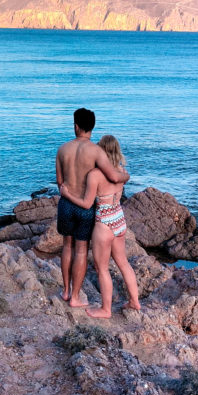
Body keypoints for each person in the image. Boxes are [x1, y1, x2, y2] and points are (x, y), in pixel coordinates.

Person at [60, 134, 140, 319]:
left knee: (101, 268)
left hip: (104, 223)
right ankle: (135, 301)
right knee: (123, 262)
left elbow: (87, 204)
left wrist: (66, 194)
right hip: (119, 219)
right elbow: (123, 179)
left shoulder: (95, 175)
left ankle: (106, 309)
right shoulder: (121, 171)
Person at [56, 109, 130, 308]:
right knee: (81, 250)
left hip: (65, 205)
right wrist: (126, 177)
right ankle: (75, 297)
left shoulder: (62, 149)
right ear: (92, 127)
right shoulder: (96, 151)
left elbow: (60, 183)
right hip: (85, 208)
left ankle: (65, 291)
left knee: (66, 246)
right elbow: (114, 177)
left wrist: (67, 193)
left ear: (76, 126)